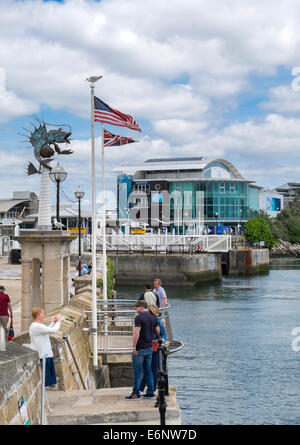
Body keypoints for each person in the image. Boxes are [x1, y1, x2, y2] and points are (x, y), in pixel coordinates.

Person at [125, 301, 160, 400]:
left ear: (141, 307)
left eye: (136, 307)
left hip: (140, 348)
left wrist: (134, 347)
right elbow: (158, 331)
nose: (136, 309)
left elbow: (136, 332)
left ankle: (136, 394)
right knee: (148, 370)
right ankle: (150, 392)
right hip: (149, 348)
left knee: (137, 371)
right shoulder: (153, 318)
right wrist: (158, 339)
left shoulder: (139, 318)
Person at [29, 308, 61, 387]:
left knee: (50, 382)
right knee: (46, 382)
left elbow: (47, 330)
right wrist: (59, 321)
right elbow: (53, 331)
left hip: (46, 355)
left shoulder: (38, 326)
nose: (44, 316)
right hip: (43, 356)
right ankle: (44, 398)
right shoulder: (36, 327)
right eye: (42, 314)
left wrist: (54, 322)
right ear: (38, 315)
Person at [139, 305, 167, 394]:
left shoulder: (158, 321)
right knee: (147, 368)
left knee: (152, 368)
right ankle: (143, 388)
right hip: (146, 346)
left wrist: (158, 341)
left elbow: (164, 335)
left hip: (154, 348)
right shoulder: (148, 321)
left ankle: (151, 388)